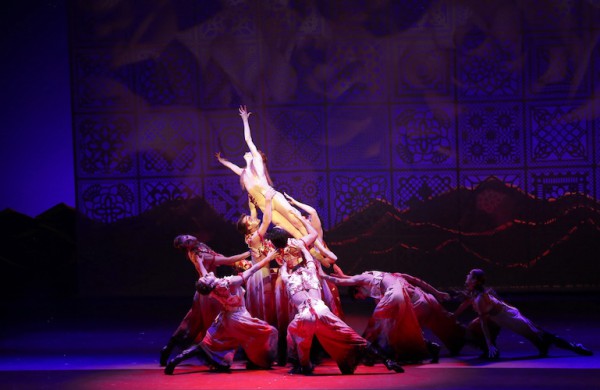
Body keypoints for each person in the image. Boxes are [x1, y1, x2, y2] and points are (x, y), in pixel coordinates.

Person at [215, 105, 337, 266]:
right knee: (290, 229)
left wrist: (244, 119)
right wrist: (222, 161)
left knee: (296, 220)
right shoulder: (244, 173)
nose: (248, 153)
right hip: (266, 208)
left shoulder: (257, 164)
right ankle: (316, 257)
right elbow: (232, 167)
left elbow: (248, 140)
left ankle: (322, 249)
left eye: (251, 153)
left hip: (272, 198)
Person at [279, 238, 404, 375]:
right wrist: (302, 248)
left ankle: (303, 365)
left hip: (305, 314)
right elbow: (309, 260)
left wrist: (284, 258)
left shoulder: (288, 278)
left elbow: (283, 269)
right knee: (352, 338)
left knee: (293, 337)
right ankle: (387, 360)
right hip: (322, 311)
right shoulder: (311, 272)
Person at [164, 250, 280, 375]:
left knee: (208, 344)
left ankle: (176, 360)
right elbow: (253, 269)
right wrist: (268, 258)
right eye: (207, 278)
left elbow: (204, 274)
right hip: (238, 317)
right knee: (268, 332)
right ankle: (259, 361)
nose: (208, 275)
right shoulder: (231, 283)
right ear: (211, 282)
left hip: (224, 319)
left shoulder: (212, 288)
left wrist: (200, 262)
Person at [454, 268, 593, 359]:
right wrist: (453, 315)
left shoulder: (480, 298)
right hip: (501, 318)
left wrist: (489, 343)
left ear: (474, 281)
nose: (466, 276)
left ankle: (574, 347)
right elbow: (466, 302)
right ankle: (541, 346)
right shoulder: (475, 294)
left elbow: (484, 322)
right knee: (537, 338)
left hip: (509, 317)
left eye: (469, 275)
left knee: (540, 336)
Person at [319, 269, 448, 363]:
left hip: (410, 301)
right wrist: (436, 292)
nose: (363, 298)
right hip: (409, 301)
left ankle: (367, 349)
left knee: (380, 323)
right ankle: (429, 347)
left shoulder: (366, 279)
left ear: (357, 289)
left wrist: (323, 275)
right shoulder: (379, 280)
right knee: (397, 330)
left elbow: (346, 281)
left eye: (359, 296)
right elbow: (354, 280)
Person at [159, 235, 251, 366]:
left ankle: (168, 349)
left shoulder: (200, 246)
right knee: (213, 325)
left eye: (188, 236)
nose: (190, 238)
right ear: (187, 247)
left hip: (203, 292)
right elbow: (227, 260)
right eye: (188, 241)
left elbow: (222, 258)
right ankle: (212, 353)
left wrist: (240, 262)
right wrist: (249, 252)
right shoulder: (199, 254)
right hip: (209, 295)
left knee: (191, 322)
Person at [236, 187, 277, 326]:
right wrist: (267, 200)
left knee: (265, 304)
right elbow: (267, 221)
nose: (253, 218)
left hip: (260, 271)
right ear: (249, 228)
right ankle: (266, 330)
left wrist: (251, 199)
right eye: (250, 220)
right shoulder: (254, 237)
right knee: (266, 304)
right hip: (261, 273)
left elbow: (253, 212)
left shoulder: (251, 234)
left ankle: (266, 329)